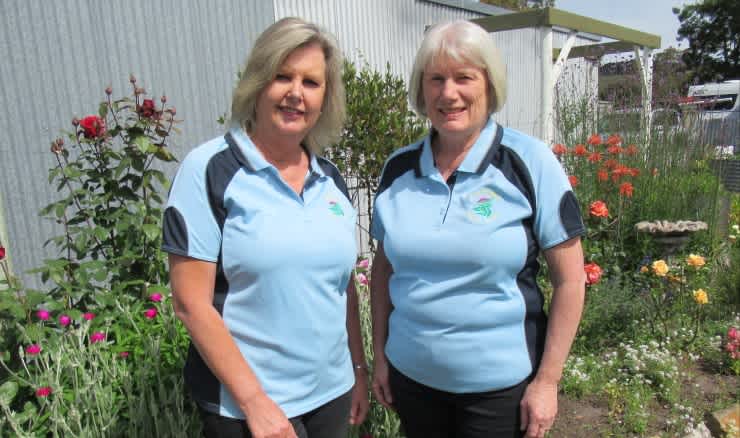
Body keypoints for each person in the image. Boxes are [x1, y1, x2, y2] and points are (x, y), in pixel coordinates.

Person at [369, 20, 586, 438]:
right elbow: (384, 270)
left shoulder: (529, 163)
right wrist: (380, 356)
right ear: (422, 89)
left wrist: (547, 382)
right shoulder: (398, 169)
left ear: (489, 84)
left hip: (499, 394)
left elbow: (571, 280)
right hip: (412, 383)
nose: (448, 93)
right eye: (436, 79)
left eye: (463, 77)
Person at [162, 17, 368, 438]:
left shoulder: (331, 179)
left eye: (311, 82)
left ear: (325, 97)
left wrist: (357, 369)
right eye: (282, 76)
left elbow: (342, 285)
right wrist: (255, 403)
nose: (296, 93)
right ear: (258, 82)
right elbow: (190, 304)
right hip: (248, 409)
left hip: (332, 394)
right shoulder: (210, 170)